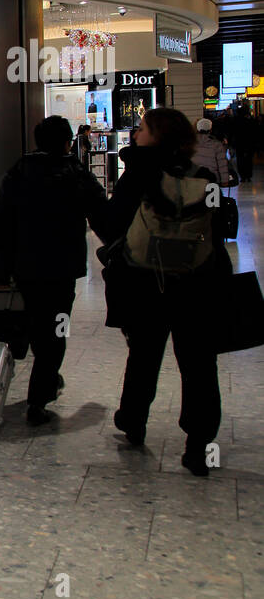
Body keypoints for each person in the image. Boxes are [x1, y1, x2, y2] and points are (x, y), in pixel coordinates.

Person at [102, 108, 231, 476]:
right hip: (196, 283)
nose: (136, 134)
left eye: (142, 129)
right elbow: (218, 229)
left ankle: (133, 420)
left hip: (147, 281)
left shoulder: (138, 175)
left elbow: (112, 223)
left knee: (144, 355)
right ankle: (199, 443)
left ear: (155, 136)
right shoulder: (203, 178)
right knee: (199, 365)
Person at [0, 115, 107, 425]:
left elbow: (2, 223)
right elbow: (101, 214)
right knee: (57, 329)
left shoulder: (19, 172)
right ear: (68, 141)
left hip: (26, 268)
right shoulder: (75, 173)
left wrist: (0, 272)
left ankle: (45, 381)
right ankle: (40, 395)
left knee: (36, 324)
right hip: (61, 269)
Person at [191, 117, 236, 187]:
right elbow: (222, 164)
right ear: (210, 129)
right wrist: (225, 180)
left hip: (195, 178)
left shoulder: (190, 144)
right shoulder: (217, 144)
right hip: (213, 179)